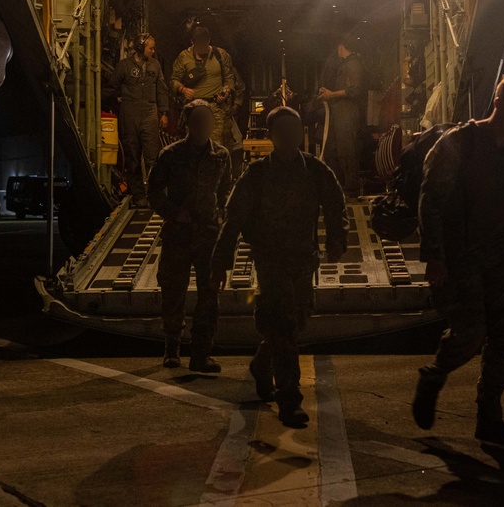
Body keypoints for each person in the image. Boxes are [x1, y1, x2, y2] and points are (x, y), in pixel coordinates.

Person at [412, 73, 504, 447]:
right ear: (498, 104)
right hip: (460, 258)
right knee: (470, 334)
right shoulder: (457, 145)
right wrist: (434, 257)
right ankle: (435, 375)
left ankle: (489, 417)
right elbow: (431, 202)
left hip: (502, 259)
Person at [210, 107, 348, 426]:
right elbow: (233, 221)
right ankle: (290, 400)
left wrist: (337, 240)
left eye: (294, 130)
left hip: (303, 259)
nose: (290, 136)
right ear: (272, 136)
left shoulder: (314, 170)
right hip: (270, 260)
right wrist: (221, 263)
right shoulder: (256, 174)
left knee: (296, 321)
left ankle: (262, 363)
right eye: (283, 131)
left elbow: (335, 203)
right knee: (284, 328)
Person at [147, 100, 232, 372]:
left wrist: (223, 220)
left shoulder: (221, 155)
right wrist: (174, 213)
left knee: (209, 297)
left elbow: (228, 190)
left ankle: (201, 354)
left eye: (207, 120)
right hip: (178, 235)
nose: (203, 125)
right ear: (187, 123)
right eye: (198, 120)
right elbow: (154, 193)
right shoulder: (170, 155)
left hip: (208, 235)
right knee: (173, 293)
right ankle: (172, 349)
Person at [110, 32, 169, 207]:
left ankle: (154, 194)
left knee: (153, 157)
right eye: (150, 48)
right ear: (140, 47)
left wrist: (164, 112)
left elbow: (161, 89)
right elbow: (112, 86)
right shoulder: (124, 66)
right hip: (130, 114)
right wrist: (117, 101)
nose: (153, 51)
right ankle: (139, 196)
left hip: (149, 113)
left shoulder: (155, 66)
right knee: (132, 157)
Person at [171, 27, 239, 150]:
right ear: (193, 42)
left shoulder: (220, 55)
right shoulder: (184, 57)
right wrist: (183, 89)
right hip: (193, 107)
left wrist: (226, 91)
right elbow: (174, 80)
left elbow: (229, 78)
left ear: (208, 40)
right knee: (194, 144)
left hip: (215, 107)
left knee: (216, 145)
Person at [318, 35, 364, 197]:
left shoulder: (353, 64)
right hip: (340, 115)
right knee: (335, 150)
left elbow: (355, 89)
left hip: (347, 115)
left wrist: (331, 95)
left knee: (347, 150)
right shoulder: (346, 65)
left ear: (341, 47)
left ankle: (351, 189)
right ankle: (340, 187)